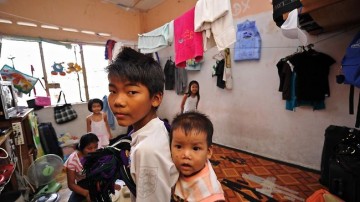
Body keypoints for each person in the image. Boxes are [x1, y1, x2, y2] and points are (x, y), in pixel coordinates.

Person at [105, 47, 179, 201]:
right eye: (113, 91)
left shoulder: (147, 150)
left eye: (131, 92)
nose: (118, 101)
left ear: (156, 98)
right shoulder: (154, 127)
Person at [170, 111, 225, 202]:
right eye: (179, 147)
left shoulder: (210, 193)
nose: (186, 155)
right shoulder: (173, 165)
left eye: (195, 148)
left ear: (208, 152)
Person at [64, 133, 99, 202]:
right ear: (82, 148)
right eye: (89, 148)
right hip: (83, 184)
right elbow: (71, 184)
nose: (93, 151)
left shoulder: (97, 153)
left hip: (96, 179)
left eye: (96, 147)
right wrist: (86, 193)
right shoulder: (72, 160)